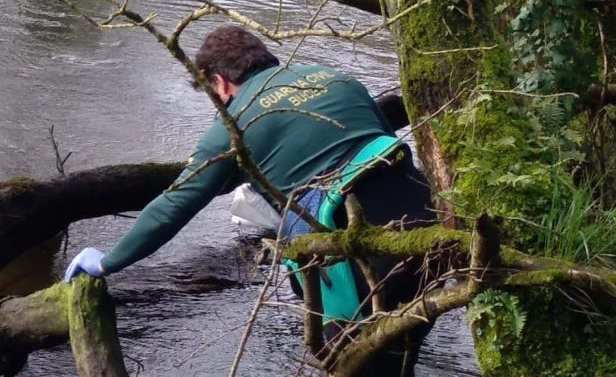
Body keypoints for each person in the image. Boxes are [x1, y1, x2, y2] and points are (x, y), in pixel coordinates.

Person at [65, 25, 435, 376]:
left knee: (355, 362)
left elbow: (174, 205)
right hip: (429, 231)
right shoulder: (334, 77)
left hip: (358, 256)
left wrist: (108, 262)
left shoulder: (234, 124)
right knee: (401, 351)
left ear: (219, 81)